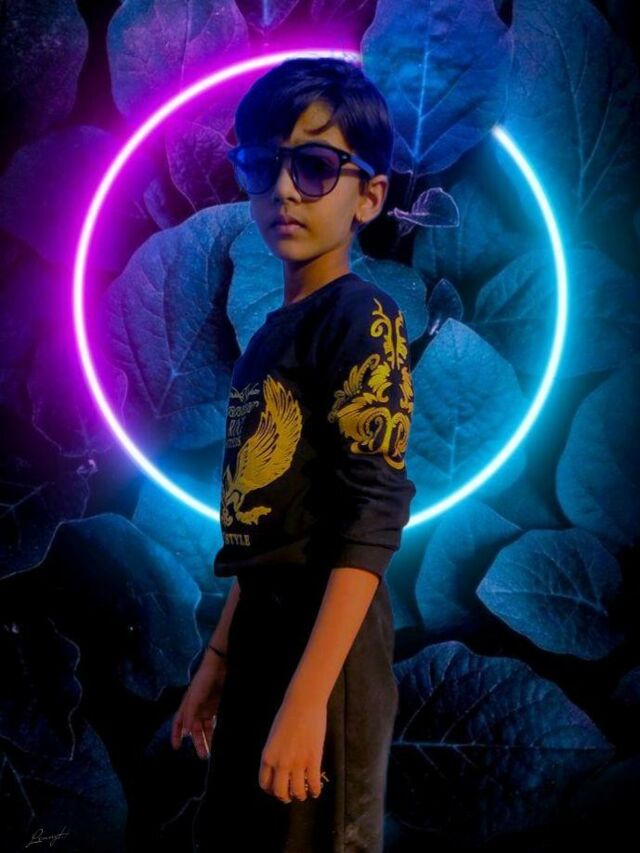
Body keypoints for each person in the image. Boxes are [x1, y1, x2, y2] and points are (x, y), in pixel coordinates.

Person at [171, 56, 417, 852]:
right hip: (263, 640)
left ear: (369, 196)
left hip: (328, 655)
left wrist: (310, 699)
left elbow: (369, 518)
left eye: (314, 167)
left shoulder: (363, 319)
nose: (284, 189)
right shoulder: (268, 339)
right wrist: (218, 661)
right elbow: (264, 532)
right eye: (262, 165)